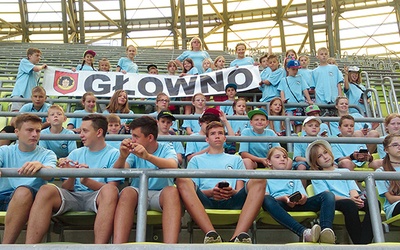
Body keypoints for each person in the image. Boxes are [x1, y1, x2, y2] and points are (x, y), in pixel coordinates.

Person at [25, 114, 122, 244]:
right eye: (81, 130)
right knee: (46, 189)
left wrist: (87, 180)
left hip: (98, 197)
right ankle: (30, 247)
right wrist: (72, 174)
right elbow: (66, 187)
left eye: (85, 131)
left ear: (99, 132)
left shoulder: (114, 154)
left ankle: (100, 247)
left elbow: (113, 188)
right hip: (73, 196)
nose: (80, 134)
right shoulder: (76, 153)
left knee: (110, 191)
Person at [176, 121, 266, 243]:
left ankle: (238, 237)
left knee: (259, 179)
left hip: (232, 200)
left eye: (220, 133)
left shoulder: (236, 159)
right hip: (205, 201)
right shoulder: (196, 160)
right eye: (213, 134)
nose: (217, 136)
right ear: (207, 139)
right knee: (182, 179)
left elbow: (239, 190)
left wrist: (230, 192)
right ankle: (211, 235)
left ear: (225, 138)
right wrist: (212, 192)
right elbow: (192, 190)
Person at [112, 116, 181, 243]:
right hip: (138, 193)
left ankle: (171, 247)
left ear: (150, 137)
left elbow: (173, 164)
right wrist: (122, 156)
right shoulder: (132, 151)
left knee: (172, 191)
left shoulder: (166, 147)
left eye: (136, 136)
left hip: (160, 195)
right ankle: (118, 246)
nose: (132, 140)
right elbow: (120, 169)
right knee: (127, 192)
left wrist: (147, 156)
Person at [0, 114, 57, 244]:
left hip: (27, 201)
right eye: (29, 130)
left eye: (37, 131)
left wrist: (41, 167)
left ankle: (6, 246)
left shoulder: (47, 154)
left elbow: (50, 173)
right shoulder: (4, 151)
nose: (34, 134)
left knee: (23, 191)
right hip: (2, 196)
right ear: (17, 132)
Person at [307, 139, 377, 244]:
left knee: (374, 203)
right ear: (315, 163)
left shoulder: (345, 171)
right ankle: (359, 244)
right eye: (319, 156)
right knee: (349, 204)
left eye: (325, 153)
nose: (325, 157)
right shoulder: (317, 176)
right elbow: (327, 196)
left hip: (350, 200)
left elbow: (353, 189)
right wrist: (351, 200)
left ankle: (364, 243)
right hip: (335, 202)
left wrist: (355, 198)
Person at [262, 146, 336, 243]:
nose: (282, 159)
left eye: (285, 157)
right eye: (277, 157)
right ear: (268, 162)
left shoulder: (293, 175)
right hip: (279, 205)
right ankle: (304, 232)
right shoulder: (263, 176)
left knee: (328, 195)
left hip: (297, 203)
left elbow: (303, 195)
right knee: (266, 199)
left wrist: (302, 199)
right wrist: (284, 199)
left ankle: (326, 232)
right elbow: (265, 196)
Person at [278, 60, 313, 133]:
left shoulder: (300, 78)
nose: (295, 71)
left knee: (299, 124)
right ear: (288, 69)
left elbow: (304, 89)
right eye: (293, 69)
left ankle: (297, 139)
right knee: (289, 124)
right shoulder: (284, 80)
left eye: (296, 69)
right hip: (289, 106)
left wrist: (309, 99)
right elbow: (282, 91)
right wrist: (283, 99)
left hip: (299, 105)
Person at [11, 48, 47, 113]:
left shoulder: (38, 72)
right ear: (29, 56)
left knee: (28, 117)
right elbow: (36, 68)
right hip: (20, 94)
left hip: (30, 96)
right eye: (37, 55)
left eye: (40, 56)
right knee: (16, 115)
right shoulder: (24, 62)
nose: (39, 58)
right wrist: (42, 67)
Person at [376, 134, 400, 222]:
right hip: (394, 206)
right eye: (395, 145)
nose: (399, 147)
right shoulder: (381, 172)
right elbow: (391, 199)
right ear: (386, 149)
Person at [293, 116, 323, 186]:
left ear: (319, 129)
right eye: (310, 125)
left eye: (316, 126)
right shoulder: (299, 140)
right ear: (303, 128)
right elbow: (297, 157)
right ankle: (302, 191)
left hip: (320, 161)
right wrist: (310, 160)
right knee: (301, 166)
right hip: (305, 161)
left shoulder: (322, 140)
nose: (314, 127)